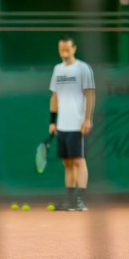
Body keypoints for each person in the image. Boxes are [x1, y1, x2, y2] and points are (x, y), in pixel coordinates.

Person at [49, 35, 96, 211]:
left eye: (68, 49)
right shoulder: (57, 69)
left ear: (74, 49)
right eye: (62, 49)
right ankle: (70, 200)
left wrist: (88, 118)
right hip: (62, 125)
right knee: (67, 163)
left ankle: (80, 200)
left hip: (78, 124)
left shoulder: (83, 68)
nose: (65, 53)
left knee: (79, 161)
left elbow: (90, 94)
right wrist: (52, 121)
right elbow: (54, 97)